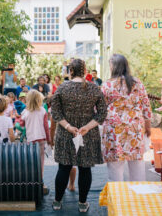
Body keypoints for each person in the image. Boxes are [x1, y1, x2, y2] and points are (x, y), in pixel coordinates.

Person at [51, 59, 107, 212]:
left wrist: (68, 126)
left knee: (64, 168)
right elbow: (103, 113)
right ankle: (82, 203)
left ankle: (57, 202)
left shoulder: (62, 88)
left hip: (65, 133)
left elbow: (55, 112)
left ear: (70, 71)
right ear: (85, 71)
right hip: (87, 134)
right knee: (85, 168)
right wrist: (87, 127)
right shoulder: (94, 88)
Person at [101, 54, 152, 182]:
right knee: (136, 161)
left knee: (115, 163)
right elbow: (146, 105)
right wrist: (148, 126)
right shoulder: (137, 82)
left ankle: (117, 195)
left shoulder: (107, 84)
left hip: (114, 127)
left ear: (114, 66)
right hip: (134, 126)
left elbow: (100, 108)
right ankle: (139, 193)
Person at [22, 90, 51, 179]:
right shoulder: (42, 110)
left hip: (30, 138)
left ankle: (31, 178)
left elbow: (22, 124)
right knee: (41, 159)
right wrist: (49, 138)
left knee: (30, 159)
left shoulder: (25, 111)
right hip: (41, 138)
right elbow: (46, 126)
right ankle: (40, 178)